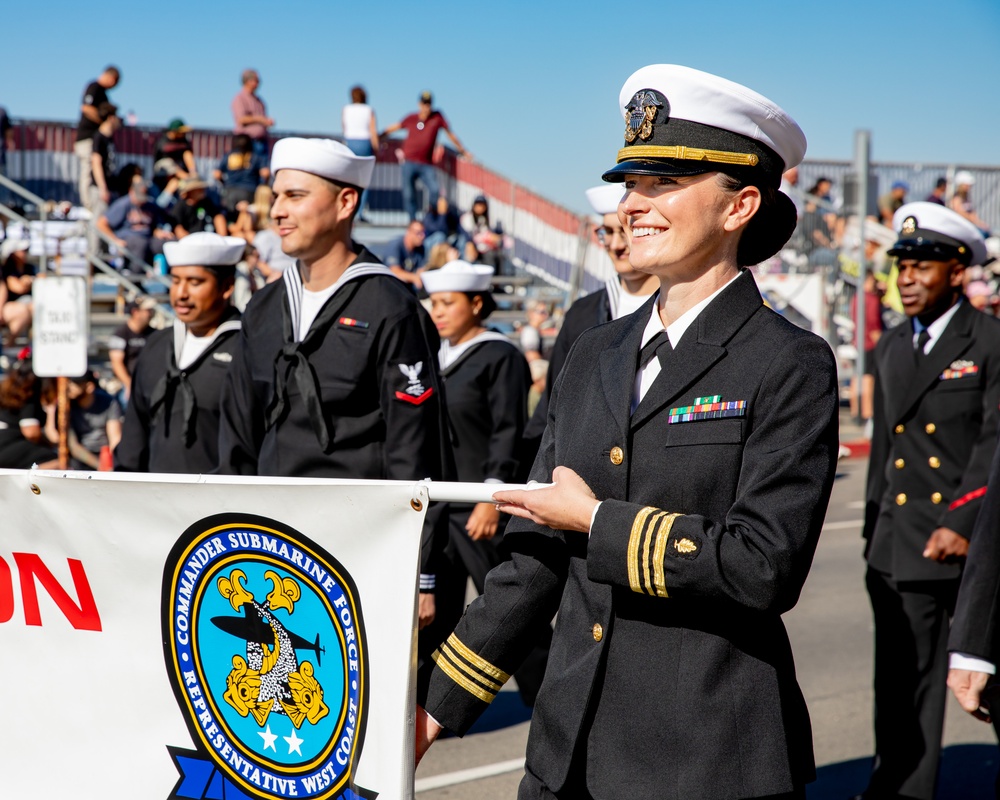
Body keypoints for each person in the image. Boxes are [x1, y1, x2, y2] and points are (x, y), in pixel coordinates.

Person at [417, 64, 839, 800]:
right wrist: (431, 710)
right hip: (567, 757)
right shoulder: (593, 354)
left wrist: (596, 521)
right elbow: (534, 563)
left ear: (741, 204)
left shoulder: (789, 363)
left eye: (662, 185)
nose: (632, 206)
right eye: (631, 184)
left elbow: (761, 567)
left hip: (706, 763)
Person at [216, 137, 451, 632]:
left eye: (295, 196)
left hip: (358, 553)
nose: (277, 211)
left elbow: (417, 451)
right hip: (266, 553)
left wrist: (420, 572)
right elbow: (237, 442)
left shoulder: (390, 306)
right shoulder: (262, 308)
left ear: (346, 202)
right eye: (276, 196)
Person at [860, 201, 1000, 800]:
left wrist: (962, 519)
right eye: (902, 267)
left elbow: (995, 440)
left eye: (924, 266)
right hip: (904, 544)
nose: (908, 278)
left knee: (989, 679)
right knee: (902, 687)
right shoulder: (891, 347)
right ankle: (901, 790)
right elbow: (887, 453)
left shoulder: (990, 340)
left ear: (957, 270)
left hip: (976, 545)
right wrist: (873, 533)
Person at [419, 259, 545, 705]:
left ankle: (549, 699)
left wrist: (491, 496)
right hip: (437, 507)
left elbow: (507, 429)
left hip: (479, 505)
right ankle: (432, 708)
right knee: (435, 615)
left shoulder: (500, 355)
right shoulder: (431, 358)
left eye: (447, 303)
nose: (438, 311)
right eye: (433, 302)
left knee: (510, 610)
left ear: (476, 303)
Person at [521, 183, 660, 476]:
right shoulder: (582, 313)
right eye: (607, 233)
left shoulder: (673, 308)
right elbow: (553, 406)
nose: (616, 244)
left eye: (623, 231)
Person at [115, 233, 243, 474]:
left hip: (224, 506)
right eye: (175, 281)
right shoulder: (156, 345)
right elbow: (134, 434)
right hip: (154, 503)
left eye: (195, 282)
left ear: (226, 287)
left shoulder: (248, 350)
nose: (181, 293)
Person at [381, 91, 471, 221]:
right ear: (419, 104)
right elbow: (393, 127)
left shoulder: (437, 117)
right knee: (408, 194)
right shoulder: (411, 118)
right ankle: (413, 222)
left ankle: (433, 217)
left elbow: (451, 135)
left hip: (426, 163)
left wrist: (463, 151)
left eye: (428, 104)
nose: (426, 107)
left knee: (435, 191)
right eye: (424, 103)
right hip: (409, 162)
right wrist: (378, 137)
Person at [98, 176, 175, 267]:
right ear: (131, 191)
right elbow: (101, 223)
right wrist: (115, 240)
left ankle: (174, 275)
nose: (141, 200)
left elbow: (153, 226)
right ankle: (134, 277)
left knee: (169, 243)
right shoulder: (123, 204)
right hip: (129, 239)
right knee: (140, 244)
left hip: (148, 239)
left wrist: (159, 232)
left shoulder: (150, 204)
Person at [0, 349, 57, 469]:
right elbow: (30, 432)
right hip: (9, 443)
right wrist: (47, 442)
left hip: (5, 442)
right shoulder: (29, 392)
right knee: (59, 461)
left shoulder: (8, 389)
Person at [54, 371, 123, 470]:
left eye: (75, 384)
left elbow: (115, 439)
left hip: (104, 454)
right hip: (80, 458)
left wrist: (112, 465)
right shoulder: (66, 407)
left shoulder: (108, 403)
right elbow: (74, 447)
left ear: (89, 387)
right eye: (68, 382)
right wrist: (101, 467)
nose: (69, 386)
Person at [74, 66, 120, 207]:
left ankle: (90, 203)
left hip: (91, 138)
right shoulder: (94, 87)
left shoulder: (103, 93)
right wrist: (102, 122)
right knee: (89, 169)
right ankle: (87, 204)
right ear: (110, 77)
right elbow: (86, 108)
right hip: (86, 137)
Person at [107, 295, 157, 405]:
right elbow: (117, 363)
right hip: (126, 383)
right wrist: (129, 384)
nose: (151, 313)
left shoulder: (154, 334)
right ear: (135, 312)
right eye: (147, 310)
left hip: (150, 382)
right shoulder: (121, 334)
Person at [848, 269, 883, 424]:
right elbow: (874, 324)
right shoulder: (871, 299)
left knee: (857, 377)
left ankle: (856, 412)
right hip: (870, 342)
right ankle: (868, 413)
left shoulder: (856, 298)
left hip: (859, 341)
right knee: (869, 378)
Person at [341, 85, 379, 220]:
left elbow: (344, 128)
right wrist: (377, 148)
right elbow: (373, 131)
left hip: (350, 143)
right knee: (364, 180)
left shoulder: (346, 109)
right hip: (364, 143)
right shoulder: (369, 110)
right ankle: (360, 212)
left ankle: (348, 209)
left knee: (349, 179)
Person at [213, 133, 268, 219]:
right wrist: (264, 185)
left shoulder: (229, 155)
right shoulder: (256, 156)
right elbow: (265, 173)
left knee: (230, 219)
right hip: (249, 191)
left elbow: (217, 174)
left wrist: (224, 184)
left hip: (229, 191)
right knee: (246, 219)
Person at [231, 69, 273, 158]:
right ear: (247, 81)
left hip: (262, 141)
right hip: (247, 142)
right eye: (256, 80)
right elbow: (241, 119)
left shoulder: (259, 101)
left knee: (263, 170)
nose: (258, 83)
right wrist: (260, 119)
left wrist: (267, 122)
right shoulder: (240, 98)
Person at [460, 195, 505, 274]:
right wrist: (470, 243)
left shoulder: (488, 220)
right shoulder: (466, 218)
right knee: (468, 250)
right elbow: (465, 235)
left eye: (482, 205)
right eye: (478, 204)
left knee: (494, 255)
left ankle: (493, 283)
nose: (480, 207)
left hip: (485, 249)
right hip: (471, 246)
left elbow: (493, 235)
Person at [89, 102, 121, 214]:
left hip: (110, 188)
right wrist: (103, 188)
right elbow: (96, 163)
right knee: (99, 224)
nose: (119, 120)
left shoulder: (110, 138)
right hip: (101, 189)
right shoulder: (99, 138)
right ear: (111, 118)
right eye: (117, 116)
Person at [152, 118, 197, 195]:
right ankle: (188, 178)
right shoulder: (163, 141)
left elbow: (188, 155)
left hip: (180, 175)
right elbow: (163, 159)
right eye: (181, 132)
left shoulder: (184, 141)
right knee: (168, 162)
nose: (184, 134)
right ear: (174, 131)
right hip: (163, 172)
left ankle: (193, 176)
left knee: (187, 154)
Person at [384, 219, 427, 289]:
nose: (422, 236)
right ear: (408, 232)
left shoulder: (421, 248)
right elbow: (394, 271)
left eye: (423, 233)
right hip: (391, 285)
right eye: (418, 233)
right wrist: (414, 277)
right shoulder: (396, 245)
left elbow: (421, 270)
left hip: (410, 286)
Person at [950, 170, 991, 236]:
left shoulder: (966, 197)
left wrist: (980, 222)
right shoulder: (957, 197)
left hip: (968, 225)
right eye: (967, 185)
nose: (969, 187)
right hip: (961, 227)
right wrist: (975, 221)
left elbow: (971, 212)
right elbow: (959, 212)